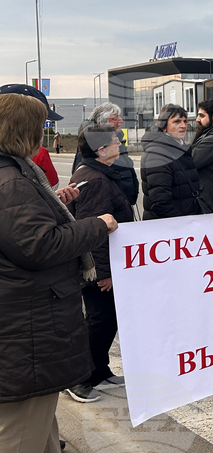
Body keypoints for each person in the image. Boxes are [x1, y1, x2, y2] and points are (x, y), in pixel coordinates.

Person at [0, 87, 118, 451]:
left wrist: (52, 202)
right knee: (21, 432)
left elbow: (21, 227)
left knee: (41, 427)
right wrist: (96, 226)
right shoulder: (13, 180)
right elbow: (39, 245)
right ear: (24, 130)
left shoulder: (14, 174)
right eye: (41, 127)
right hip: (28, 326)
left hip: (23, 320)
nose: (44, 135)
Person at [67, 125, 135, 401]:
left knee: (108, 319)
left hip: (106, 264)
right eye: (115, 140)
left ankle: (98, 370)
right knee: (99, 320)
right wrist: (103, 274)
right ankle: (78, 379)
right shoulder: (94, 180)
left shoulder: (100, 174)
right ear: (101, 150)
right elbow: (93, 231)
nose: (120, 143)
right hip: (98, 268)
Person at [72, 102, 138, 208]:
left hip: (122, 202)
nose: (121, 120)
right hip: (108, 206)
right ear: (103, 122)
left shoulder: (117, 139)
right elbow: (85, 178)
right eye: (115, 118)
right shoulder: (91, 142)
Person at [140, 104, 200, 220]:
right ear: (164, 127)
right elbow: (160, 202)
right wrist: (183, 223)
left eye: (185, 121)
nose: (183, 126)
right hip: (169, 226)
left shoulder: (179, 149)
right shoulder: (157, 154)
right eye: (176, 122)